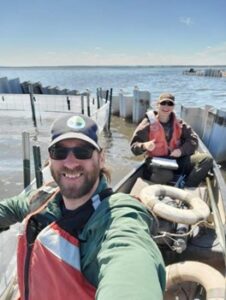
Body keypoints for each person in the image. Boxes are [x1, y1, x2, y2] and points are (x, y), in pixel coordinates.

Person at [0, 113, 165, 300]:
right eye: (60, 152)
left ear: (101, 158)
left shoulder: (116, 216)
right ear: (50, 159)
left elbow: (130, 259)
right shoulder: (45, 198)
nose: (70, 163)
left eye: (83, 152)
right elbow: (12, 208)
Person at [130, 92, 213, 187]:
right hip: (156, 162)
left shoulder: (179, 123)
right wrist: (144, 146)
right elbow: (134, 147)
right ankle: (152, 176)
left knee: (207, 159)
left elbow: (193, 140)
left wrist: (181, 151)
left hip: (176, 161)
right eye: (163, 103)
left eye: (170, 104)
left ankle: (187, 187)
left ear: (173, 107)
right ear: (157, 105)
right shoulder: (147, 123)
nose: (166, 106)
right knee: (166, 175)